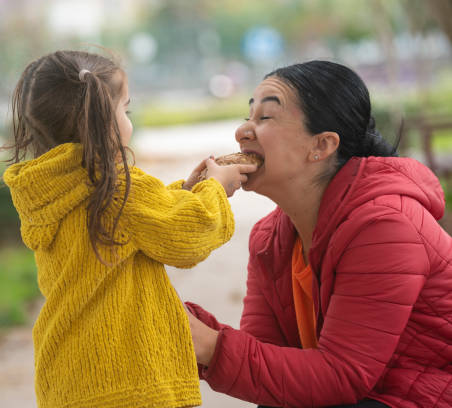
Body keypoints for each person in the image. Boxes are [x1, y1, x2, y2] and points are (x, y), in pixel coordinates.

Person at [183, 60, 452, 408]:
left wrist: (208, 344)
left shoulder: (385, 225)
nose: (243, 131)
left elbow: (343, 375)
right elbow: (267, 366)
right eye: (248, 116)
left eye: (265, 118)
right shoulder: (270, 238)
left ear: (322, 145)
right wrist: (185, 325)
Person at [2, 50, 256, 408]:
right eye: (126, 109)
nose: (129, 120)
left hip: (66, 377)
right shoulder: (116, 187)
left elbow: (136, 226)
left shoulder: (50, 190)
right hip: (125, 378)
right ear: (103, 119)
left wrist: (185, 192)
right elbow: (187, 234)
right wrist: (215, 189)